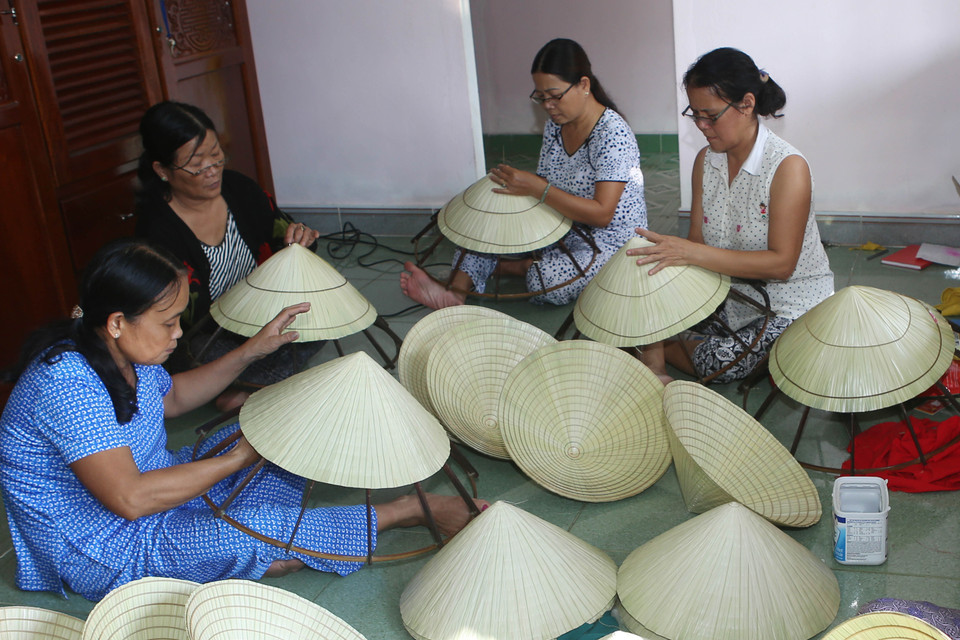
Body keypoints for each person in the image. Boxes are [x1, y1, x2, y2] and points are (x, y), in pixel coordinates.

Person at [0, 238, 486, 601]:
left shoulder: (122, 349)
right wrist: (235, 461)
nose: (177, 335)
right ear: (117, 322)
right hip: (101, 539)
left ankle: (262, 549)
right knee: (243, 528)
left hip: (156, 479)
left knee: (274, 427)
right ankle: (402, 512)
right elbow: (129, 499)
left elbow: (171, 400)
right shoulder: (64, 382)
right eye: (168, 323)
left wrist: (255, 349)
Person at [629, 47, 833, 384]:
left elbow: (781, 265)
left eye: (710, 115)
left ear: (747, 104)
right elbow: (696, 243)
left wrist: (689, 253)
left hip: (791, 302)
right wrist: (665, 283)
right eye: (695, 115)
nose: (702, 126)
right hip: (729, 293)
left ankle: (651, 350)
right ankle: (653, 353)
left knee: (716, 362)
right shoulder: (706, 162)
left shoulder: (786, 167)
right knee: (642, 307)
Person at [401, 38, 646, 309]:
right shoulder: (556, 125)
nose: (548, 106)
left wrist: (537, 189)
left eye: (555, 96)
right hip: (561, 225)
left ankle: (512, 268)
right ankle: (455, 293)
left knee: (545, 281)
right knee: (481, 228)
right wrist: (514, 192)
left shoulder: (612, 133)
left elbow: (603, 214)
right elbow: (545, 182)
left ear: (584, 85)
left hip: (609, 243)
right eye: (541, 98)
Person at [135, 101, 321, 408]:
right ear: (162, 170)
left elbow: (286, 235)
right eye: (197, 165)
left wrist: (302, 237)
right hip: (209, 335)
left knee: (320, 315)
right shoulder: (157, 233)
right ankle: (231, 387)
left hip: (264, 314)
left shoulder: (240, 190)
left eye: (216, 157)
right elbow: (169, 327)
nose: (212, 171)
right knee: (201, 353)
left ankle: (244, 388)